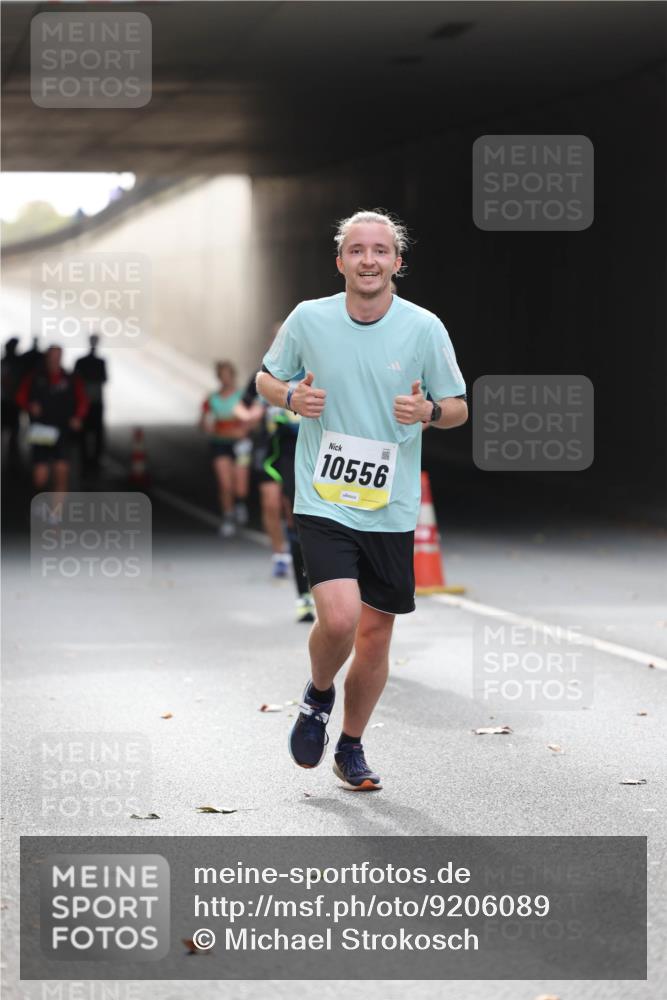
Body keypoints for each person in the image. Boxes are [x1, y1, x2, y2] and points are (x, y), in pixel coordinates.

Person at [256, 210, 468, 791]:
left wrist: (428, 412)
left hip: (390, 505)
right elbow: (266, 380)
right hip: (324, 498)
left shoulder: (424, 328)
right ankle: (317, 694)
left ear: (397, 262)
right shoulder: (309, 319)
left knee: (375, 635)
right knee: (342, 617)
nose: (368, 260)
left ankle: (350, 745)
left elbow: (457, 407)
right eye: (357, 250)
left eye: (380, 251)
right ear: (340, 262)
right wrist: (293, 396)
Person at [15, 344, 89, 497]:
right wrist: (30, 406)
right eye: (51, 357)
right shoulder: (34, 377)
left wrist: (78, 417)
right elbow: (20, 397)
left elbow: (83, 400)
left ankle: (56, 516)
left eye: (58, 357)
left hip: (62, 429)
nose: (54, 360)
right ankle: (41, 500)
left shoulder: (70, 379)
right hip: (41, 429)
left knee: (61, 472)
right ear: (46, 358)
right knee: (40, 477)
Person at [200, 360, 252, 537]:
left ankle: (240, 504)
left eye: (228, 375)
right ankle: (228, 517)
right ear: (218, 377)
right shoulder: (211, 399)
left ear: (233, 376)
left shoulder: (242, 397)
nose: (225, 379)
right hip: (220, 444)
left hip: (240, 446)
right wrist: (207, 426)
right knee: (225, 484)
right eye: (222, 375)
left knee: (240, 486)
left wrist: (242, 431)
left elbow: (250, 421)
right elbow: (203, 421)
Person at [73, 333, 108, 476]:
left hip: (92, 402)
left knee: (90, 432)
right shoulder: (97, 362)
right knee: (92, 432)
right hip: (90, 402)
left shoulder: (86, 362)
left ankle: (90, 460)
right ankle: (91, 460)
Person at [1, 337, 23, 467]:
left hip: (11, 401)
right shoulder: (11, 363)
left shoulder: (11, 362)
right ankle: (12, 457)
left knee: (13, 430)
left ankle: (12, 457)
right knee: (12, 429)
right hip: (8, 401)